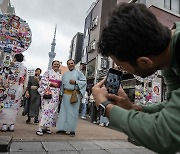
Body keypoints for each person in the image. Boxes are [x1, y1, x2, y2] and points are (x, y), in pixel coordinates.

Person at [92, 3, 180, 154]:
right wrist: (134, 108)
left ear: (145, 62)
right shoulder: (167, 57)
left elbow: (166, 135)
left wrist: (106, 106)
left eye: (123, 66)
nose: (123, 70)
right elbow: (171, 106)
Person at [56, 59, 86, 136]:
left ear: (74, 64)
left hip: (74, 95)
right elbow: (62, 85)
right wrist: (61, 94)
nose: (70, 65)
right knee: (63, 112)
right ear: (67, 65)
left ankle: (72, 130)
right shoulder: (65, 74)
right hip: (65, 95)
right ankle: (62, 128)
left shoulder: (79, 73)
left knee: (73, 113)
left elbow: (84, 82)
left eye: (72, 63)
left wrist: (76, 82)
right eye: (68, 64)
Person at [0, 53, 27, 132]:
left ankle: (4, 124)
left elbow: (3, 77)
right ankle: (12, 125)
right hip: (18, 88)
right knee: (15, 107)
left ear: (14, 58)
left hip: (8, 87)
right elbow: (25, 81)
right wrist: (23, 90)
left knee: (5, 105)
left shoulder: (9, 66)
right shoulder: (24, 68)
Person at [36, 60, 62, 136]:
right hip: (48, 92)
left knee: (53, 111)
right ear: (52, 65)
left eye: (58, 64)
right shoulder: (48, 72)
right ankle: (40, 127)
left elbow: (60, 85)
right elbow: (42, 81)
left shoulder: (60, 75)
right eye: (55, 64)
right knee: (45, 109)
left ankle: (47, 127)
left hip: (56, 94)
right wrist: (51, 83)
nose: (56, 65)